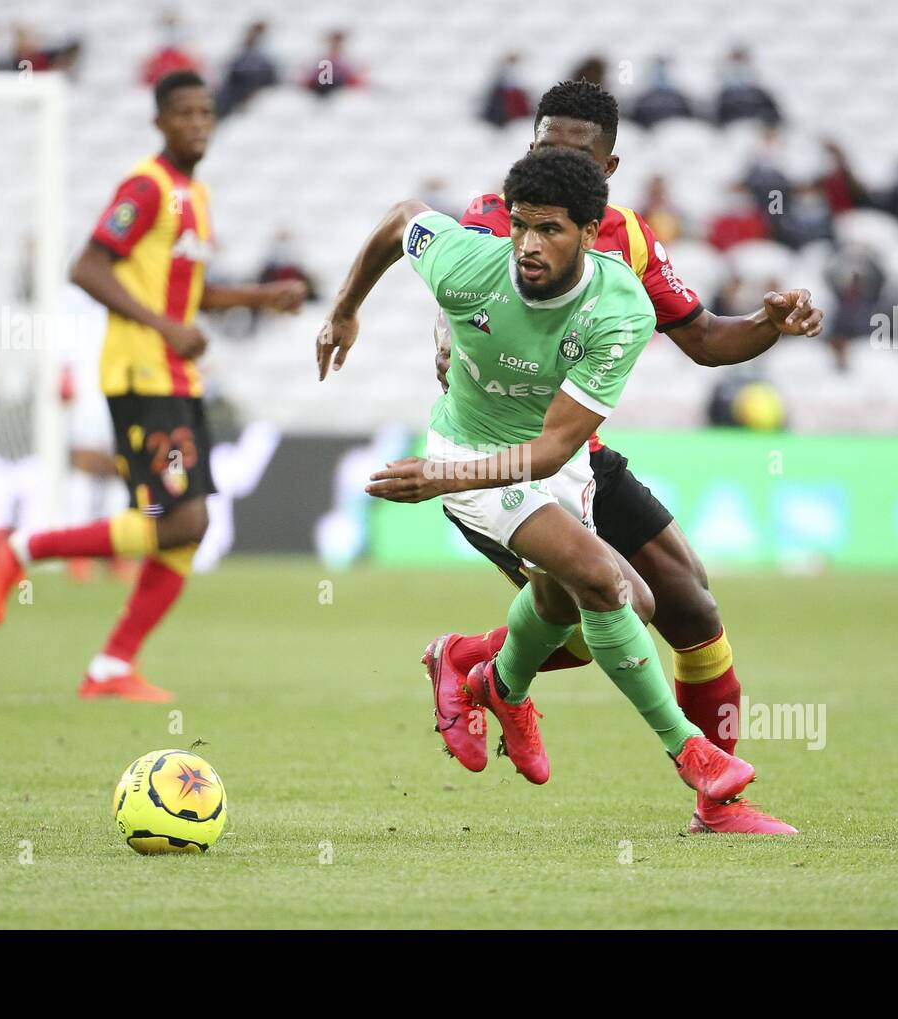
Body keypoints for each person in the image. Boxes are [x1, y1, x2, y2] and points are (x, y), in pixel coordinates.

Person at [317, 148, 765, 817]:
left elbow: (557, 446)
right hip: (469, 453)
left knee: (587, 605)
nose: (528, 244)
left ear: (590, 232)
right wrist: (346, 308)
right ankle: (694, 754)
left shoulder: (622, 309)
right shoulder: (466, 262)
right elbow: (400, 220)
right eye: (521, 225)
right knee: (609, 584)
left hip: (550, 460)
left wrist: (438, 479)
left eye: (550, 230)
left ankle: (495, 679)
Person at [426, 81, 822, 834]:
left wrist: (770, 324)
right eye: (542, 146)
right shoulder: (498, 218)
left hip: (582, 452)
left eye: (574, 153)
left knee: (693, 608)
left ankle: (718, 803)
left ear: (609, 165)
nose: (553, 164)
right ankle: (485, 670)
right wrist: (442, 333)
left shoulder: (629, 239)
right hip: (508, 461)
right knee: (605, 605)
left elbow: (704, 338)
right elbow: (459, 289)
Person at [0, 71, 305, 701]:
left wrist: (263, 296)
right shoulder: (147, 187)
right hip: (142, 373)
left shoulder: (196, 197)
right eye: (184, 113)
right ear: (159, 121)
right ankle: (20, 547)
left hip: (177, 376)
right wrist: (163, 327)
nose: (198, 123)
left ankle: (109, 667)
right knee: (179, 519)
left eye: (206, 113)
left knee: (188, 527)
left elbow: (192, 293)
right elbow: (86, 266)